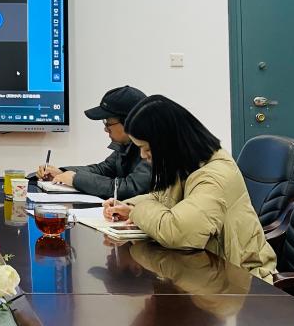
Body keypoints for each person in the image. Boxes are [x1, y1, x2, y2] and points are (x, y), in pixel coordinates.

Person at [103, 95, 277, 282]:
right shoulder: (188, 162)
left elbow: (179, 233)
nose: (143, 155)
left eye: (147, 148)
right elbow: (161, 198)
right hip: (208, 273)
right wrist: (129, 206)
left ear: (167, 142)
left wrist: (137, 211)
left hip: (243, 282)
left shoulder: (213, 176)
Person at [36, 85, 151, 200]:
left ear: (129, 122)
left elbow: (128, 188)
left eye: (108, 123)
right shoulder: (125, 144)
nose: (105, 129)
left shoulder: (152, 150)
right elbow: (103, 170)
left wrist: (75, 179)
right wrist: (62, 172)